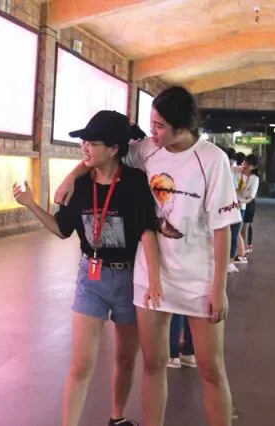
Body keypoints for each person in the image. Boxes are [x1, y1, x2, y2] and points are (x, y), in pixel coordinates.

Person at [54, 87, 242, 426]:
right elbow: (102, 154)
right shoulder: (147, 150)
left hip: (198, 278)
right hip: (150, 276)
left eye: (159, 126)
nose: (151, 132)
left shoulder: (212, 159)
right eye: (151, 123)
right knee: (154, 363)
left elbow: (222, 227)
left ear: (182, 127)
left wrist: (219, 287)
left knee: (211, 368)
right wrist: (72, 176)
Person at [13, 110, 162, 426]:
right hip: (90, 279)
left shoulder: (134, 183)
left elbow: (147, 231)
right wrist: (31, 204)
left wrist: (154, 280)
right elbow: (61, 229)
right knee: (81, 364)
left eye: (92, 143)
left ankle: (117, 418)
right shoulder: (80, 185)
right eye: (84, 141)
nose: (85, 147)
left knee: (125, 358)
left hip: (129, 278)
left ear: (114, 149)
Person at [235, 155, 259, 259]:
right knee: (236, 229)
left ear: (253, 167)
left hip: (247, 203)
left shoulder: (254, 179)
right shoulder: (236, 170)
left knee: (244, 228)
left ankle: (242, 252)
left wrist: (242, 202)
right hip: (235, 202)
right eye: (245, 162)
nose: (245, 165)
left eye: (248, 164)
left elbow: (251, 196)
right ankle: (239, 251)